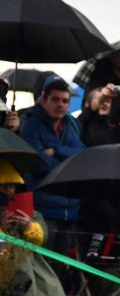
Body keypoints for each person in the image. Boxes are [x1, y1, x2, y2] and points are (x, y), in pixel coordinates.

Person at [17, 76, 87, 272]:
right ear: (43, 100)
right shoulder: (30, 124)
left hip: (69, 206)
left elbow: (81, 155)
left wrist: (56, 150)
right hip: (43, 208)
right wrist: (66, 160)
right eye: (55, 99)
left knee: (61, 266)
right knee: (41, 266)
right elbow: (37, 162)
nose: (61, 105)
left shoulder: (69, 126)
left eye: (65, 101)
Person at [0, 159, 72, 296]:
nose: (8, 191)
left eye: (11, 186)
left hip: (30, 263)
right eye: (3, 187)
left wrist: (28, 226)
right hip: (6, 264)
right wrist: (3, 228)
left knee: (46, 282)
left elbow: (42, 239)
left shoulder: (31, 212)